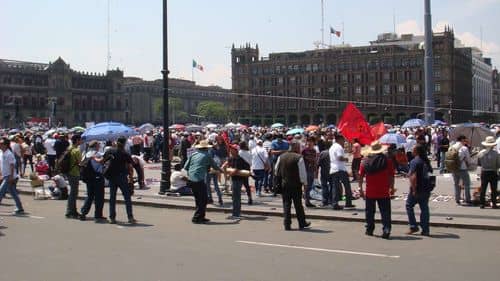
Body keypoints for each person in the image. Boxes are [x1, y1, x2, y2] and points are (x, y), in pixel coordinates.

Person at [358, 141, 394, 239]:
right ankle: (386, 229)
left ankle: (369, 229)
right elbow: (391, 175)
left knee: (369, 212)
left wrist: (360, 188)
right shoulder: (387, 161)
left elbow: (360, 176)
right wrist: (391, 187)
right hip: (383, 190)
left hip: (370, 191)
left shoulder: (365, 161)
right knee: (385, 212)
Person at [275, 141, 311, 231]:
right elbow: (302, 173)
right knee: (298, 204)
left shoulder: (281, 156)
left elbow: (276, 170)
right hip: (296, 184)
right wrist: (305, 183)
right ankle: (302, 222)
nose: (300, 149)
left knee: (286, 204)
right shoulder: (299, 157)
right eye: (299, 147)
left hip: (285, 184)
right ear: (295, 147)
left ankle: (287, 224)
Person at [184, 140, 222, 224]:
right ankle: (197, 217)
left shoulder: (193, 155)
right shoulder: (207, 155)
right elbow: (215, 166)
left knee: (198, 199)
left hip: (191, 179)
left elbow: (185, 167)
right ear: (206, 148)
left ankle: (201, 216)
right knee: (204, 199)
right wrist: (221, 170)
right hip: (198, 180)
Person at [104, 136, 136, 224]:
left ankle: (112, 217)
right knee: (127, 197)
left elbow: (103, 160)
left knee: (112, 197)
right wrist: (131, 177)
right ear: (125, 143)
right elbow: (132, 164)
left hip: (111, 177)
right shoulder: (124, 153)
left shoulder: (110, 150)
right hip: (122, 176)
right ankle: (130, 217)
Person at [406, 144, 433, 236]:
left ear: (416, 151)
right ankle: (425, 229)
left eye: (413, 150)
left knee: (409, 205)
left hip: (418, 187)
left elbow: (413, 176)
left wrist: (413, 189)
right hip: (426, 187)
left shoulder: (415, 161)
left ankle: (413, 226)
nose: (412, 151)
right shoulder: (425, 161)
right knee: (424, 208)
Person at [79, 141, 106, 222]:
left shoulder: (86, 154)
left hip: (88, 177)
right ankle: (98, 215)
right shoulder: (97, 154)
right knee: (99, 197)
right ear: (96, 146)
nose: (99, 146)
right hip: (97, 177)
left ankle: (83, 213)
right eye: (98, 145)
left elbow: (81, 164)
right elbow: (102, 160)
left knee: (89, 195)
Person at [222, 143, 250, 220]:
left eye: (232, 149)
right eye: (230, 149)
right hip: (234, 179)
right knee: (235, 196)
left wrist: (228, 175)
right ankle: (237, 212)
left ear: (236, 151)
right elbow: (226, 163)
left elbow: (236, 169)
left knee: (236, 197)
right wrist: (223, 167)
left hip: (238, 180)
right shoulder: (231, 158)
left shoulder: (239, 159)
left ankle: (236, 214)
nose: (230, 150)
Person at [329, 134, 355, 210]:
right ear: (339, 139)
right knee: (347, 186)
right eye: (343, 140)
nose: (344, 142)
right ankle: (348, 203)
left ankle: (334, 203)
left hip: (333, 169)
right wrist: (346, 159)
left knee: (335, 187)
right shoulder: (339, 147)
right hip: (340, 169)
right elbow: (340, 157)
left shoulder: (332, 147)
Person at [0, 137, 25, 215]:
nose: (0, 145)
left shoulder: (9, 153)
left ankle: (20, 208)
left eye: (1, 144)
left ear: (6, 145)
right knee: (13, 193)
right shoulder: (1, 153)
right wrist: (0, 174)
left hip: (9, 176)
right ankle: (20, 208)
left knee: (1, 191)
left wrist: (11, 177)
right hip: (5, 175)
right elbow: (1, 165)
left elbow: (12, 166)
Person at [477, 136, 499, 209]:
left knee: (483, 189)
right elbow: (498, 164)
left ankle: (482, 204)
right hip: (493, 172)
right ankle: (494, 203)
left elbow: (479, 163)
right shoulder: (496, 153)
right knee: (493, 189)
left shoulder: (481, 153)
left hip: (484, 172)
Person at [65, 134, 82, 219]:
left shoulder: (69, 148)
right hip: (74, 173)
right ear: (77, 141)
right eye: (80, 140)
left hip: (68, 172)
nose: (81, 141)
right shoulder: (76, 150)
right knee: (73, 193)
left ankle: (72, 210)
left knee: (73, 192)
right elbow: (80, 162)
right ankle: (70, 211)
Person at [451, 135, 472, 205]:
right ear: (462, 140)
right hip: (462, 168)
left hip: (454, 168)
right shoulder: (464, 148)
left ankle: (457, 198)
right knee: (467, 184)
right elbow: (468, 159)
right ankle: (467, 199)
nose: (465, 142)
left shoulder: (452, 147)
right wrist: (469, 164)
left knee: (456, 184)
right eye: (465, 140)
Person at [301, 136, 318, 207]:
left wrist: (316, 170)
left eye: (311, 141)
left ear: (314, 142)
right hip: (305, 170)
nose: (309, 142)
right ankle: (307, 201)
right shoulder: (304, 150)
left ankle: (306, 196)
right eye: (308, 141)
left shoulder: (314, 151)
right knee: (307, 186)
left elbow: (315, 161)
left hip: (311, 170)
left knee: (310, 186)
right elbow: (301, 160)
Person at [318, 141, 333, 207]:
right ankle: (331, 200)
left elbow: (318, 163)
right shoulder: (333, 152)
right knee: (332, 186)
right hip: (332, 172)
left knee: (324, 187)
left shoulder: (323, 153)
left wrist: (317, 170)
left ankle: (325, 201)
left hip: (324, 172)